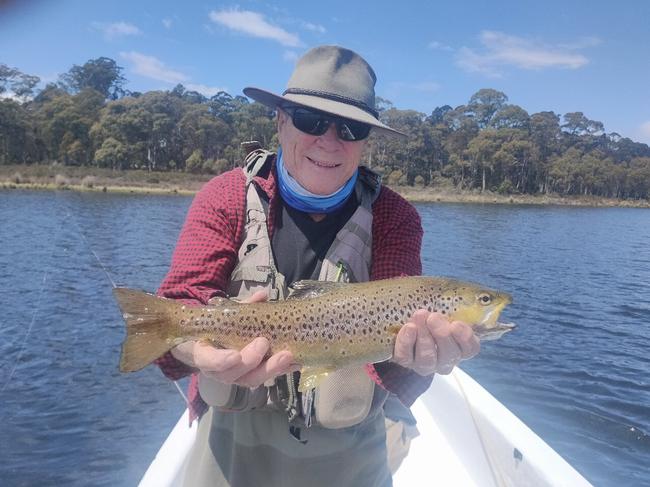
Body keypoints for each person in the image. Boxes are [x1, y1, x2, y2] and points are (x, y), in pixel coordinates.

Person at [154, 45, 480, 487]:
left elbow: (394, 359)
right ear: (280, 119)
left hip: (348, 446)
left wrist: (420, 358)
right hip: (230, 437)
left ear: (366, 139)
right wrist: (198, 353)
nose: (330, 140)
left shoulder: (396, 218)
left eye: (350, 128)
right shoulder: (225, 195)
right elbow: (179, 302)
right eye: (310, 120)